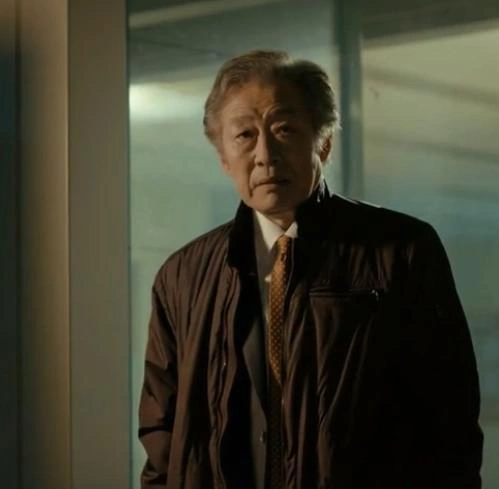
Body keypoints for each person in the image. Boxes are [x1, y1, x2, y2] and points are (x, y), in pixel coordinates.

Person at [138, 50, 483, 489]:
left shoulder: (400, 252)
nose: (265, 154)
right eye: (244, 135)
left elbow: (449, 424)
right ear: (223, 157)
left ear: (323, 142)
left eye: (284, 129)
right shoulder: (182, 276)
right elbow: (162, 435)